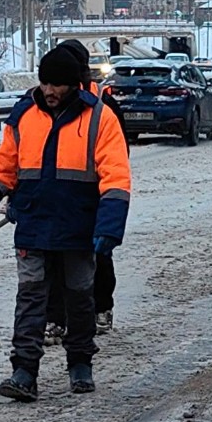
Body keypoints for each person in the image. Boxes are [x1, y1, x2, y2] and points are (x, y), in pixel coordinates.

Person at [0, 45, 131, 402]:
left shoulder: (99, 118)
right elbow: (4, 170)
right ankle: (24, 371)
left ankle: (80, 364)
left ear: (74, 86)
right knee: (31, 299)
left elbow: (115, 175)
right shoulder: (24, 116)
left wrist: (109, 226)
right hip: (33, 225)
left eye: (58, 85)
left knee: (79, 298)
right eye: (45, 83)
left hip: (79, 228)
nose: (49, 91)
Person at [42, 40, 129, 341]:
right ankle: (55, 318)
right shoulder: (46, 105)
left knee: (97, 257)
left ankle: (101, 309)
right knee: (52, 260)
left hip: (91, 197)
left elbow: (118, 156)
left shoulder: (104, 107)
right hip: (55, 198)